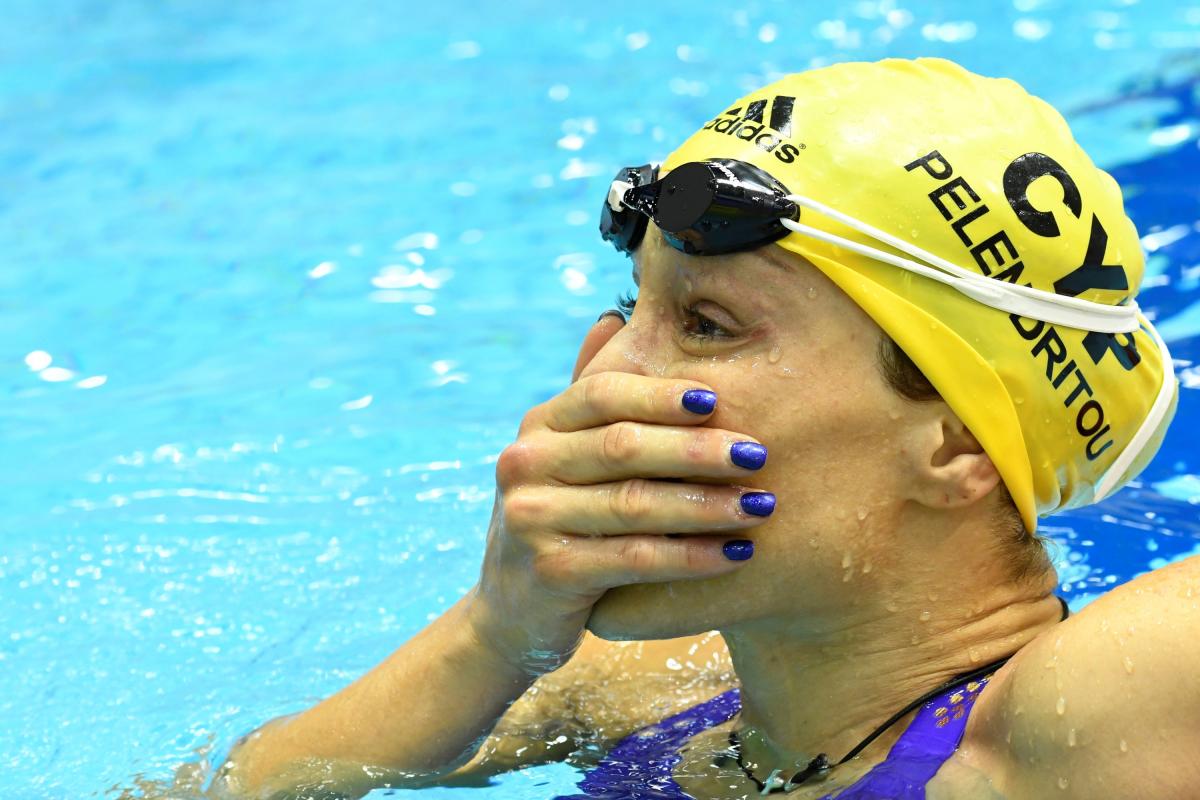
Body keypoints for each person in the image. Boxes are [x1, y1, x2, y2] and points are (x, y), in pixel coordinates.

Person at [211, 58, 1192, 800]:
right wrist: (495, 632)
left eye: (706, 324)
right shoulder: (650, 694)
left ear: (957, 442)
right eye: (629, 306)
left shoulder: (1077, 728)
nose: (604, 377)